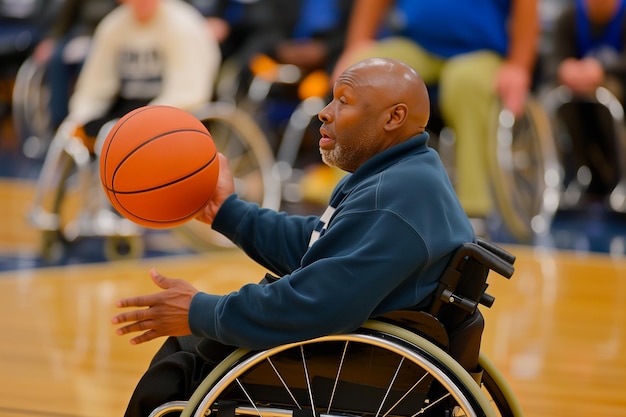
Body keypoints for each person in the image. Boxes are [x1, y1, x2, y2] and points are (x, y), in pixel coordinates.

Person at [111, 57, 476, 417]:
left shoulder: (392, 200)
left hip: (357, 365)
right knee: (190, 342)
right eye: (332, 98)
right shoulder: (402, 173)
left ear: (393, 118)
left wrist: (200, 311)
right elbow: (318, 245)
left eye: (343, 102)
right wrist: (225, 212)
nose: (325, 112)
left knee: (181, 363)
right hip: (366, 352)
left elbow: (313, 303)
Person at [332, 0, 540, 224]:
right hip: (415, 43)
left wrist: (519, 65)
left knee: (466, 83)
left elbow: (526, 6)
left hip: (480, 52)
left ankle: (474, 213)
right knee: (363, 73)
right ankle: (345, 203)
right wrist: (357, 43)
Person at [28, 0, 221, 235]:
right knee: (74, 131)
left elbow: (190, 90)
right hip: (127, 103)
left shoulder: (182, 23)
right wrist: (80, 116)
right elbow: (94, 85)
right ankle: (51, 210)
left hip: (175, 108)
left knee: (115, 133)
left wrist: (144, 122)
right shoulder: (113, 26)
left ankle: (118, 210)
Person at [545, 0, 626, 200]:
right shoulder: (569, 17)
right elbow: (552, 62)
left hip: (616, 93)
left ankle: (614, 173)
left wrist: (601, 69)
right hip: (579, 99)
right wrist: (565, 69)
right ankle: (579, 172)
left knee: (608, 93)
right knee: (559, 95)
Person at [31, 0, 118, 131]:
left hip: (101, 39)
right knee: (56, 59)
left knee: (87, 63)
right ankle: (59, 122)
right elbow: (66, 18)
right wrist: (53, 39)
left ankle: (86, 121)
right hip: (77, 36)